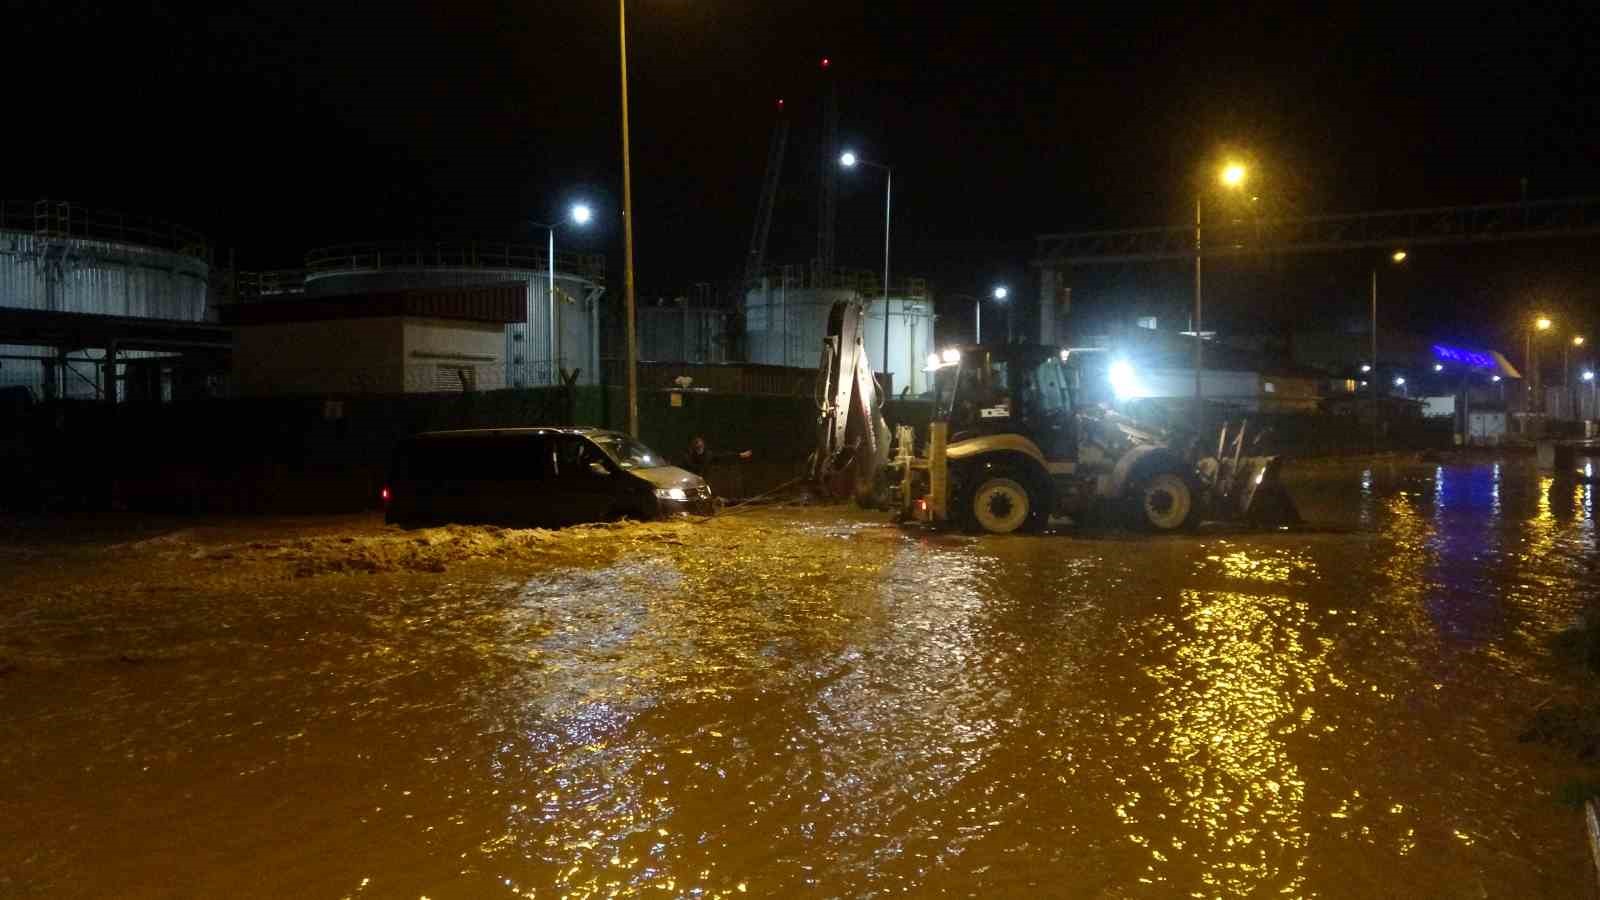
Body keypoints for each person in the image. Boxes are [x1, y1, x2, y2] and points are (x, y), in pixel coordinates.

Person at [683, 436, 752, 479]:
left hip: (704, 480)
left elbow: (724, 456)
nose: (699, 448)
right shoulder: (689, 456)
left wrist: (739, 455)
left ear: (703, 446)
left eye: (701, 446)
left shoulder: (708, 455)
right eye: (697, 446)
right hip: (691, 480)